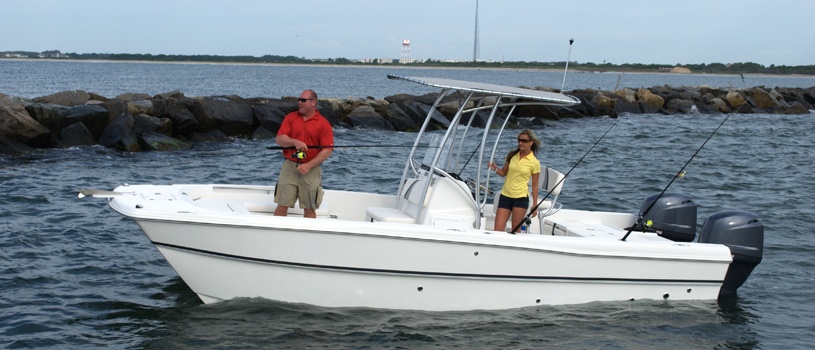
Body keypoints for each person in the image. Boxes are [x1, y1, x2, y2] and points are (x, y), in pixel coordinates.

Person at [273, 89, 334, 218]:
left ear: (313, 102)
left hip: (311, 170)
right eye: (299, 100)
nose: (299, 103)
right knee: (281, 205)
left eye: (303, 100)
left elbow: (327, 150)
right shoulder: (290, 118)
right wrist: (294, 142)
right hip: (289, 167)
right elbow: (279, 139)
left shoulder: (323, 124)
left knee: (309, 208)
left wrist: (308, 165)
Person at [488, 129, 541, 232]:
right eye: (519, 140)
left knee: (515, 231)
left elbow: (535, 185)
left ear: (531, 142)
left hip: (520, 198)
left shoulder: (534, 162)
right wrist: (494, 168)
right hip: (505, 196)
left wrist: (535, 205)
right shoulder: (512, 155)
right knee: (497, 230)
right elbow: (503, 173)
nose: (521, 143)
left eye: (524, 141)